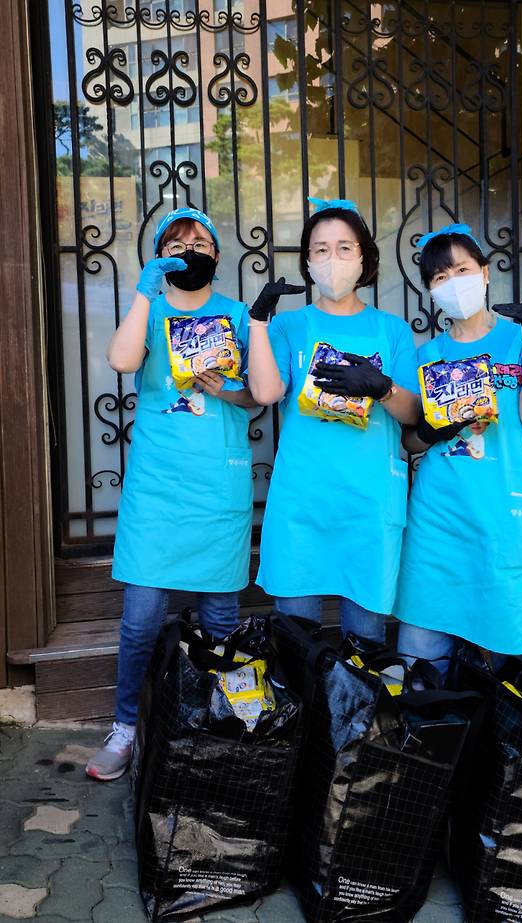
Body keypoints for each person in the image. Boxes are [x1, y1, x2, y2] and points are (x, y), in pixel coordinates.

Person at [86, 207, 256, 780]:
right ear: (160, 254)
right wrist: (143, 289)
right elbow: (121, 360)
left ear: (215, 255)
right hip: (158, 487)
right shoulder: (150, 310)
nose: (188, 249)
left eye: (199, 241)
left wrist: (227, 387)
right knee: (140, 619)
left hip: (219, 484)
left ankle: (218, 729)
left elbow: (259, 396)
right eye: (175, 242)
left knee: (221, 617)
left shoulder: (235, 314)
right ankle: (126, 726)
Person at [247, 197, 420, 641]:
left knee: (364, 641)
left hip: (367, 504)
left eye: (344, 248)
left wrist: (381, 387)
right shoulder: (290, 327)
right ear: (307, 261)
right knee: (296, 638)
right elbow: (265, 393)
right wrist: (259, 323)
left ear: (364, 257)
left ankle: (356, 714)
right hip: (302, 503)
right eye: (320, 249)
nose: (332, 259)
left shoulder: (392, 330)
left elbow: (413, 414)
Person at [394, 223, 522, 683]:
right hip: (438, 522)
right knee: (421, 664)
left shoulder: (519, 342)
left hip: (506, 519)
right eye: (440, 278)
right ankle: (431, 750)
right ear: (430, 291)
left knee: (518, 667)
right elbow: (410, 441)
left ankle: (519, 755)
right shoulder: (427, 356)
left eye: (462, 270)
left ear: (485, 274)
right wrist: (433, 429)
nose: (454, 284)